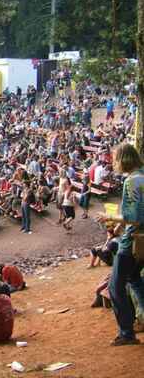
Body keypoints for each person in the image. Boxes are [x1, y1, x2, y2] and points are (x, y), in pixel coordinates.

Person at [97, 144, 144, 346]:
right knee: (134, 278)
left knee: (115, 287)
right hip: (141, 240)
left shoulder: (131, 181)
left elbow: (132, 217)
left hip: (132, 242)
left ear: (123, 160)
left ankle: (127, 333)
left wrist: (109, 217)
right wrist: (118, 227)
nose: (114, 163)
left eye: (115, 159)